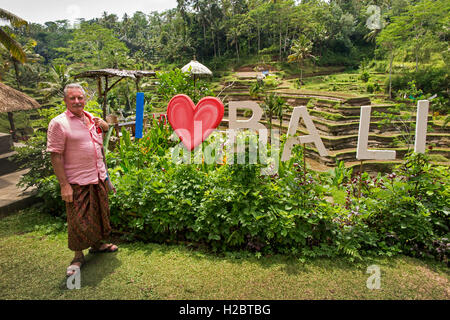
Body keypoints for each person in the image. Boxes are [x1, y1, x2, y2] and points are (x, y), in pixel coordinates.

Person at [47, 83, 118, 277]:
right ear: (65, 100)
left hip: (98, 176)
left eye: (80, 97)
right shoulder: (59, 123)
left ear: (84, 99)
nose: (77, 101)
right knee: (78, 220)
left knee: (99, 214)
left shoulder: (91, 118)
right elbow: (56, 156)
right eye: (73, 98)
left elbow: (101, 139)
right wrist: (64, 185)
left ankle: (97, 245)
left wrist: (104, 125)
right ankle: (78, 256)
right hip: (77, 181)